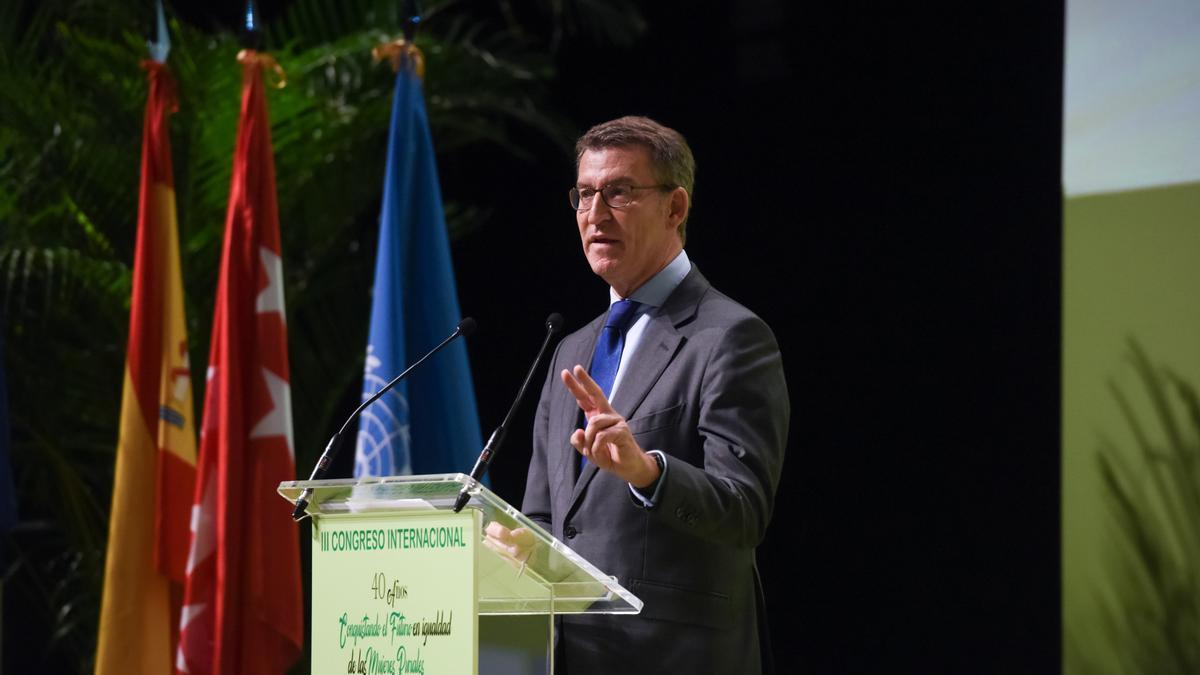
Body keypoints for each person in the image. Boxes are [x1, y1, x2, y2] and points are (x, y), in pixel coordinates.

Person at [512, 115, 790, 673]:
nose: (594, 214)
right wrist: (513, 547)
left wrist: (650, 473)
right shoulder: (569, 349)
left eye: (619, 192)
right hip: (571, 656)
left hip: (675, 656)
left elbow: (745, 511)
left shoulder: (730, 336)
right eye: (585, 194)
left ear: (675, 207)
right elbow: (545, 519)